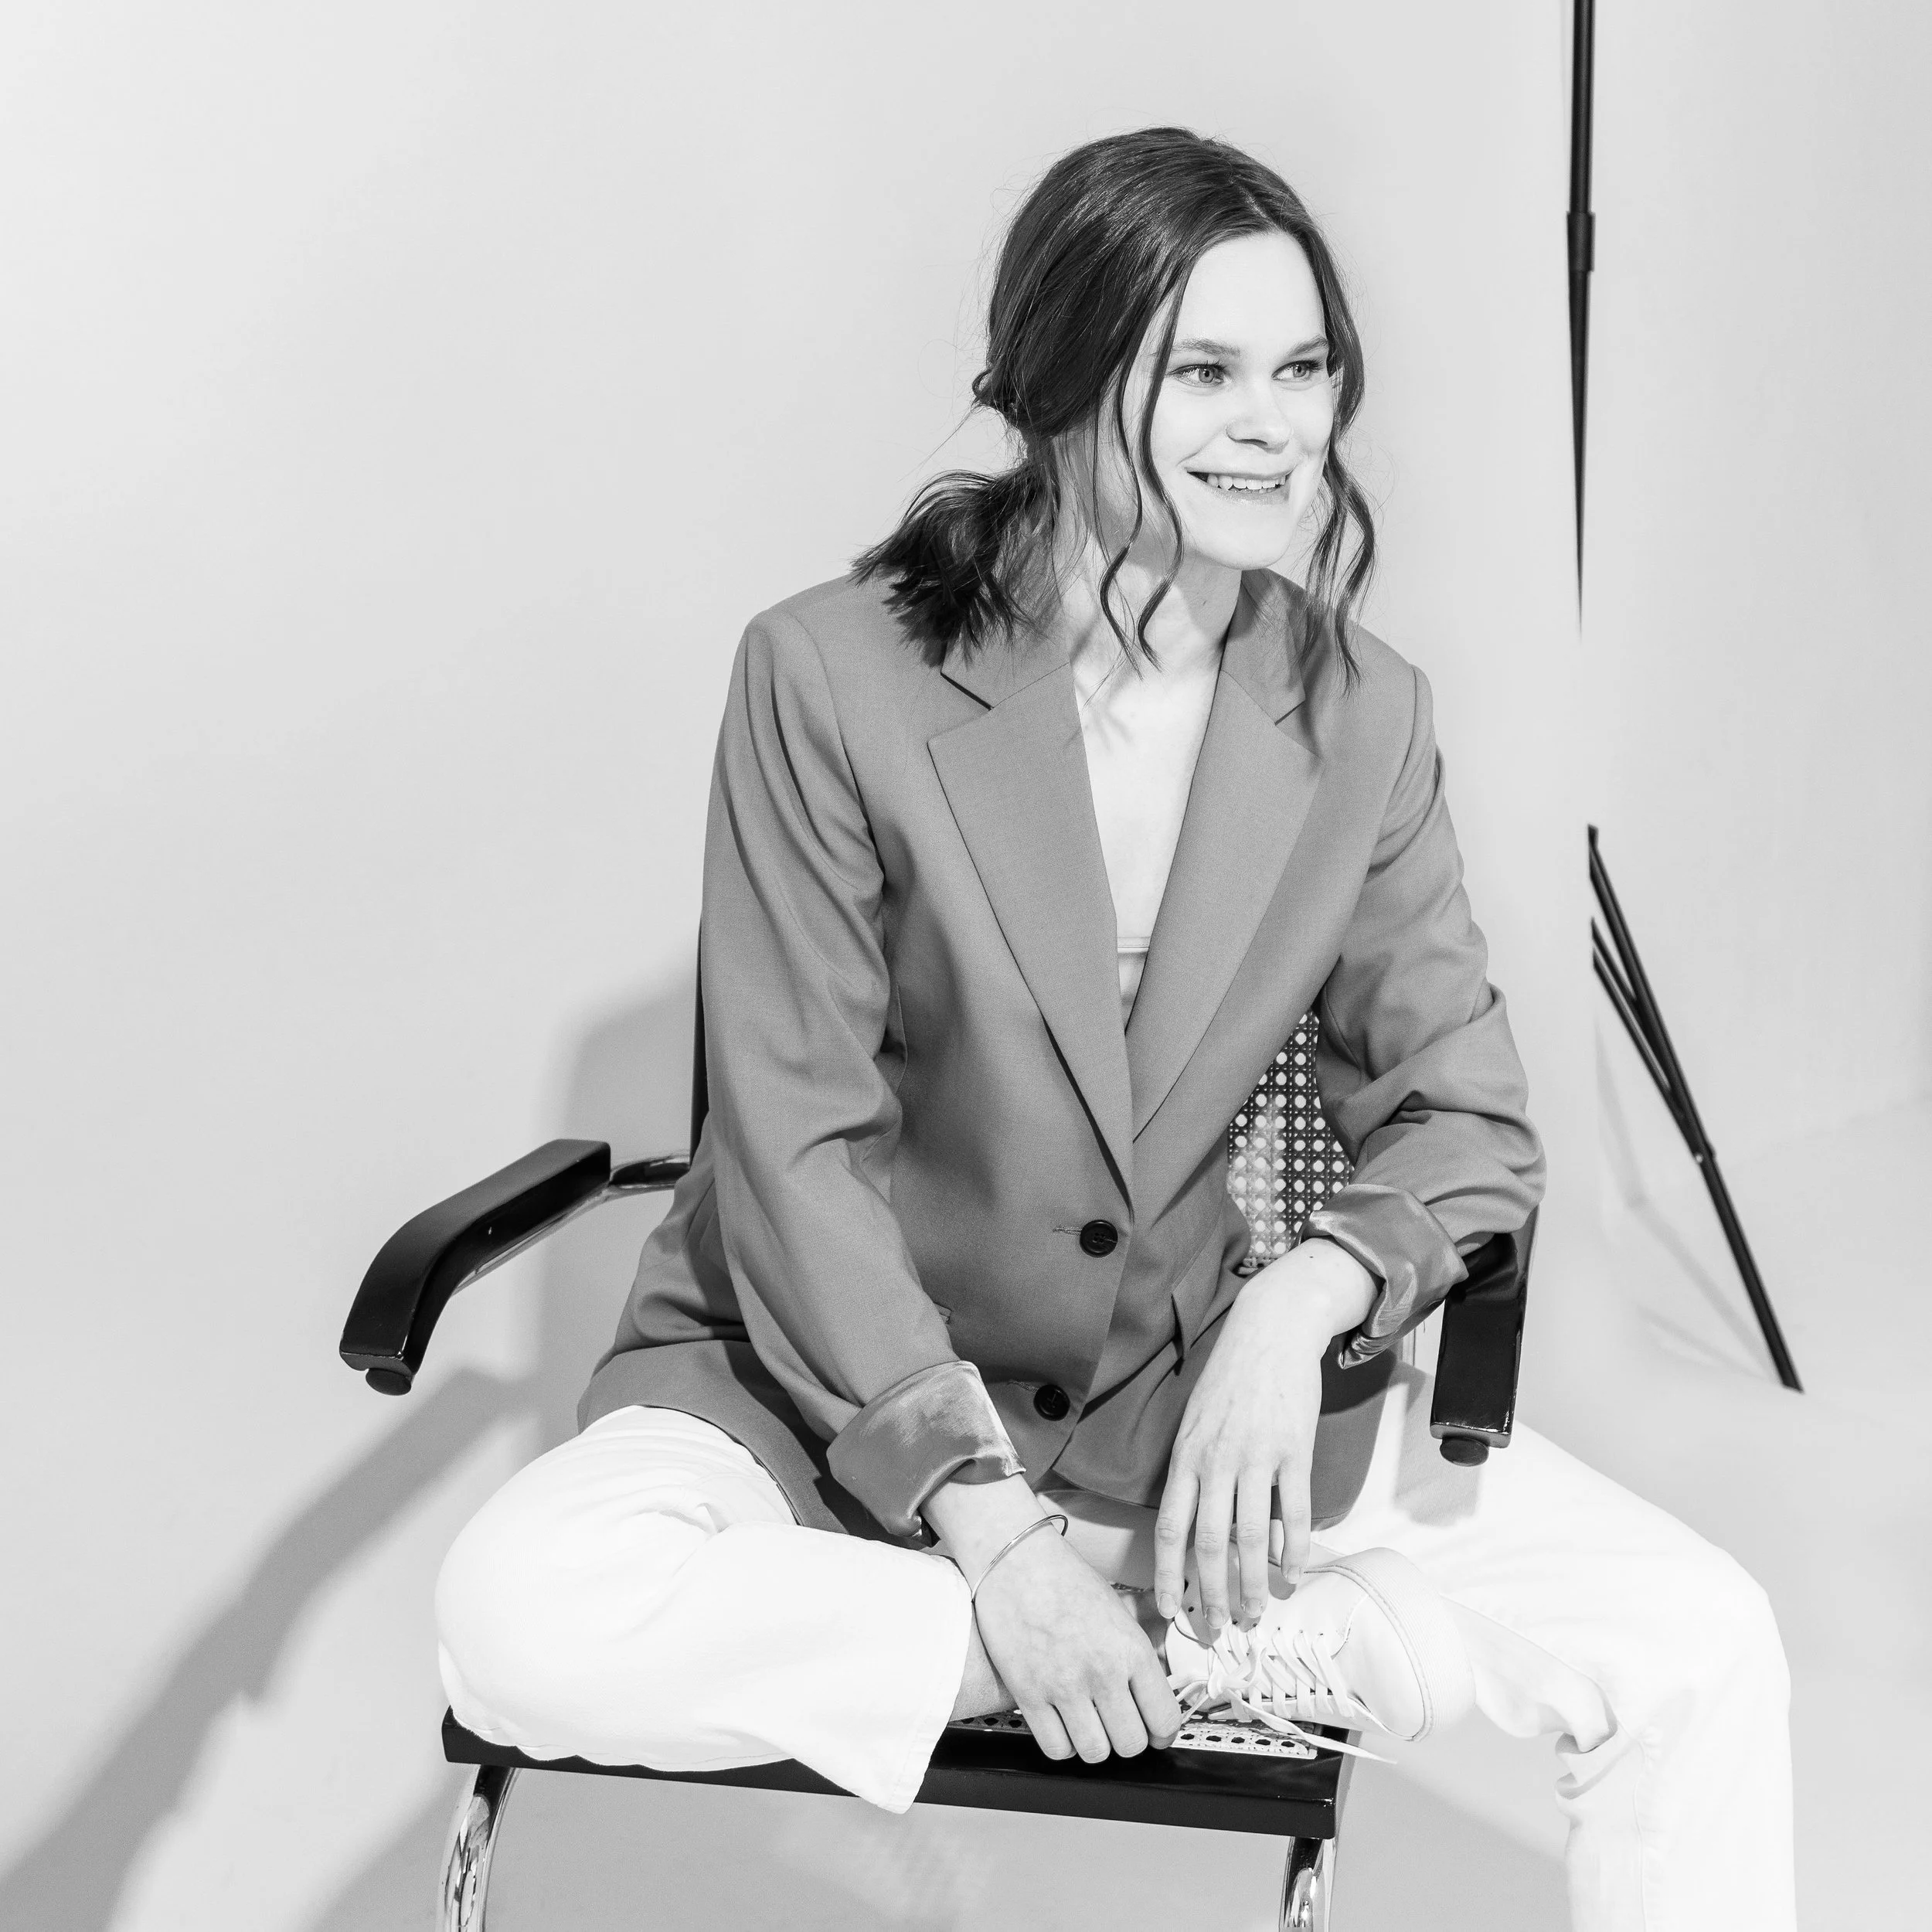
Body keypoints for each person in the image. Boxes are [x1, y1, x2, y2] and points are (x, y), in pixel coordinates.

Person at [434, 128, 1794, 1930]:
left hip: (1166, 1410)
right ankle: (1205, 1651)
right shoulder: (826, 674)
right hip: (801, 1390)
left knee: (1696, 1640)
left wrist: (1303, 1299)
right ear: (1064, 388)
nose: (1276, 424)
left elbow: (1464, 1120)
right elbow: (792, 1148)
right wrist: (994, 1548)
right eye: (1205, 371)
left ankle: (1166, 1620)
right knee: (520, 1614)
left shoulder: (1356, 714)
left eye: (1303, 368)